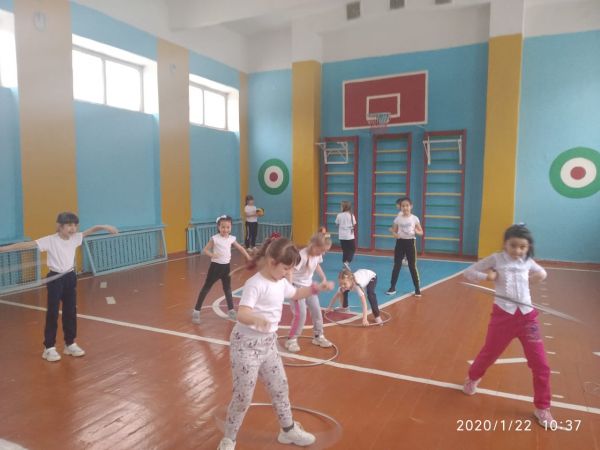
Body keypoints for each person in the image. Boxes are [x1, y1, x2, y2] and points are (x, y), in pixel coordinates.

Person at [217, 237, 334, 450]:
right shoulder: (255, 284)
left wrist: (317, 288)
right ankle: (229, 438)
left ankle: (288, 430)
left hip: (268, 345)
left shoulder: (281, 282)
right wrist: (256, 319)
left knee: (280, 387)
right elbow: (242, 313)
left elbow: (296, 293)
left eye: (291, 269)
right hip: (246, 347)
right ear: (272, 262)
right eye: (286, 268)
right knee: (243, 396)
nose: (289, 273)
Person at [462, 224, 554, 428]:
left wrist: (530, 280)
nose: (518, 251)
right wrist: (488, 276)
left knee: (541, 364)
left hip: (528, 318)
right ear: (505, 244)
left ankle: (542, 407)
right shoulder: (496, 259)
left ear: (528, 247)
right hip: (503, 317)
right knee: (489, 353)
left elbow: (542, 273)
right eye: (513, 245)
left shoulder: (527, 261)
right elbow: (469, 272)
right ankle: (473, 377)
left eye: (523, 247)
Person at [0, 212, 118, 362]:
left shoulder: (75, 238)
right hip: (55, 279)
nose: (73, 228)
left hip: (70, 277)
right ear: (60, 226)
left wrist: (104, 226)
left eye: (75, 225)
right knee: (53, 312)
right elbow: (28, 245)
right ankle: (49, 348)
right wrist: (2, 249)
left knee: (70, 311)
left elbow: (90, 230)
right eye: (69, 225)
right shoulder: (50, 240)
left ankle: (70, 344)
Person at [192, 215, 250, 323]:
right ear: (218, 227)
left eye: (228, 227)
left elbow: (240, 248)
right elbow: (205, 250)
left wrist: (248, 257)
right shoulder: (215, 238)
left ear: (231, 227)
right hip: (215, 268)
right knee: (206, 288)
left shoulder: (232, 239)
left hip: (226, 268)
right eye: (223, 227)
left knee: (227, 289)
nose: (225, 229)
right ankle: (196, 311)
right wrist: (212, 255)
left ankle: (231, 311)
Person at [285, 231, 333, 353]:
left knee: (317, 311)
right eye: (322, 250)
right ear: (314, 246)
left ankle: (318, 336)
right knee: (301, 314)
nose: (323, 253)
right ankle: (291, 339)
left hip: (309, 286)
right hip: (297, 287)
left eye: (325, 251)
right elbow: (290, 271)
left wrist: (323, 277)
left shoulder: (317, 254)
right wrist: (290, 288)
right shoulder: (302, 256)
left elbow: (316, 265)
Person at [386, 197, 423, 297]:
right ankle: (392, 287)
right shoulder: (398, 219)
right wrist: (395, 234)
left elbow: (421, 232)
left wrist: (416, 231)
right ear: (400, 207)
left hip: (410, 243)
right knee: (397, 265)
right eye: (403, 206)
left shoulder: (415, 218)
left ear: (411, 206)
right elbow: (394, 231)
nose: (405, 208)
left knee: (412, 266)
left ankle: (417, 288)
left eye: (407, 206)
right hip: (400, 243)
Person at [335, 201, 356, 270]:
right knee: (352, 249)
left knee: (345, 250)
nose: (340, 207)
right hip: (350, 236)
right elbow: (354, 224)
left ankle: (344, 264)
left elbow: (336, 224)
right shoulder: (351, 215)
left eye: (341, 206)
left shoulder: (339, 215)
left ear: (344, 207)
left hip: (342, 236)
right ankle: (347, 262)